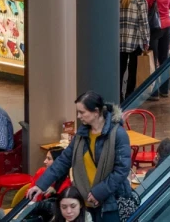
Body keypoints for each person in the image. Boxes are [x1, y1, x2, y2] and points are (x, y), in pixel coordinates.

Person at [27, 92, 132, 222]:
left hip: (110, 202)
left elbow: (122, 170)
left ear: (96, 111)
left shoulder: (118, 134)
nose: (78, 116)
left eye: (82, 112)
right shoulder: (81, 135)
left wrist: (98, 192)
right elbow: (63, 160)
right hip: (86, 199)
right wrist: (41, 185)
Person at [118, 0, 150, 102]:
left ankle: (118, 97)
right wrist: (146, 40)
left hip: (118, 41)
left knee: (119, 70)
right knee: (132, 70)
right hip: (134, 40)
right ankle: (129, 97)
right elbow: (143, 22)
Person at [142, 0, 170, 99]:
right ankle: (165, 90)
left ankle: (153, 93)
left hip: (155, 28)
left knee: (153, 60)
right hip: (167, 25)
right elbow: (169, 5)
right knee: (164, 59)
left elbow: (144, 9)